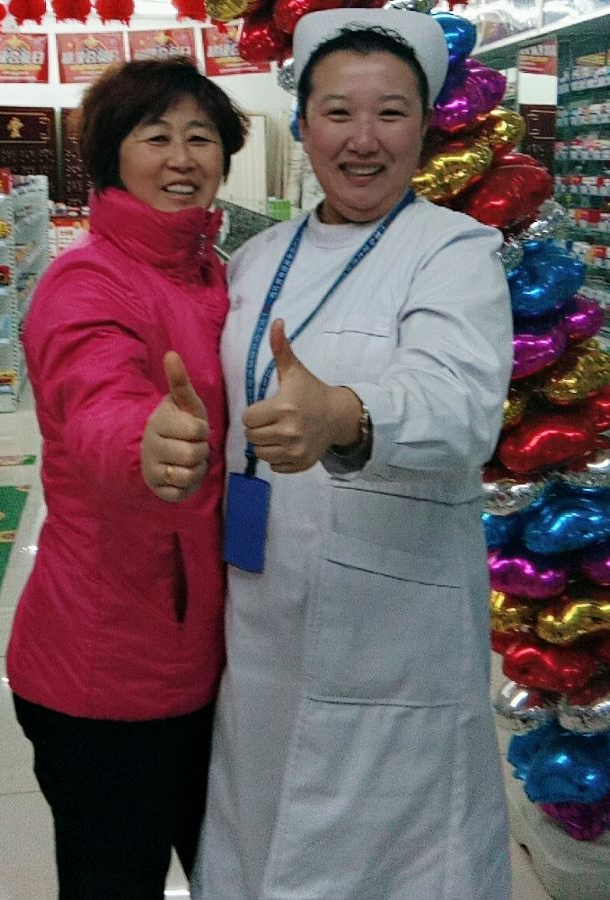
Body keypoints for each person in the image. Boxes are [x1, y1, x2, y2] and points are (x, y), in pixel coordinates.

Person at [191, 9, 513, 900]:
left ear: (424, 126)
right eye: (337, 112)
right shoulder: (258, 258)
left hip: (393, 624)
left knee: (391, 859)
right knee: (260, 829)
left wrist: (345, 414)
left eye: (390, 113)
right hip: (262, 607)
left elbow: (459, 407)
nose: (362, 139)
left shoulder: (452, 251)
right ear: (302, 125)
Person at [6, 58, 248, 899]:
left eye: (201, 137)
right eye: (156, 137)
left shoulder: (212, 274)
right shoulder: (88, 279)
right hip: (105, 674)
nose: (182, 157)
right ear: (112, 156)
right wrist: (143, 442)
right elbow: (96, 396)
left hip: (201, 653)